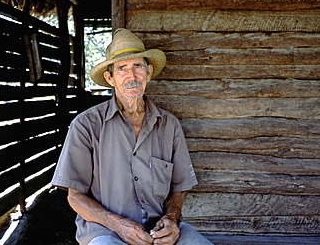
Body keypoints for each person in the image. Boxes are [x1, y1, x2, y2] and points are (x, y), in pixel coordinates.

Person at [51, 28, 214, 245]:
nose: (132, 76)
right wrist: (119, 225)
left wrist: (171, 220)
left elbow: (177, 189)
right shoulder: (86, 125)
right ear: (110, 78)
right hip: (106, 232)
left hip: (160, 232)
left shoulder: (169, 125)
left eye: (137, 66)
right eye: (122, 68)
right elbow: (75, 197)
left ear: (149, 71)